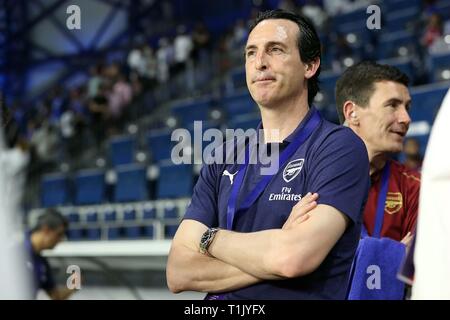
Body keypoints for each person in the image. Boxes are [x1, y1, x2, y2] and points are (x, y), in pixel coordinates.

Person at [166, 9, 369, 300]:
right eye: (251, 53)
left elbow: (293, 259)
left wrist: (208, 238)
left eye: (275, 50)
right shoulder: (225, 155)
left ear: (310, 65)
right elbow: (178, 272)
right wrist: (273, 252)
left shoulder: (338, 147)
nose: (259, 63)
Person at [335, 61, 419, 244]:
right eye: (392, 105)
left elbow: (416, 266)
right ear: (352, 113)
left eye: (407, 107)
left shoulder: (414, 187)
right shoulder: (309, 178)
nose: (406, 118)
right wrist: (393, 253)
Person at [26, 209, 75, 300]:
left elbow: (56, 296)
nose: (60, 240)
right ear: (46, 230)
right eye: (59, 234)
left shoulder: (42, 263)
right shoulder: (13, 252)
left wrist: (74, 285)